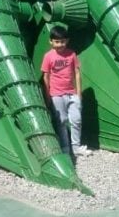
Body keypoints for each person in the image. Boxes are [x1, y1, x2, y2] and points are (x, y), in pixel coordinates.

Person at [40, 25, 92, 157]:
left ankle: (76, 147)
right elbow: (46, 76)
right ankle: (65, 148)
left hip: (72, 93)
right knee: (61, 121)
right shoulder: (48, 56)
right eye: (56, 42)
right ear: (51, 41)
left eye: (62, 41)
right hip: (56, 94)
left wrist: (78, 93)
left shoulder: (71, 54)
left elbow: (77, 73)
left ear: (67, 41)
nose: (60, 44)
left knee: (76, 120)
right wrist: (48, 96)